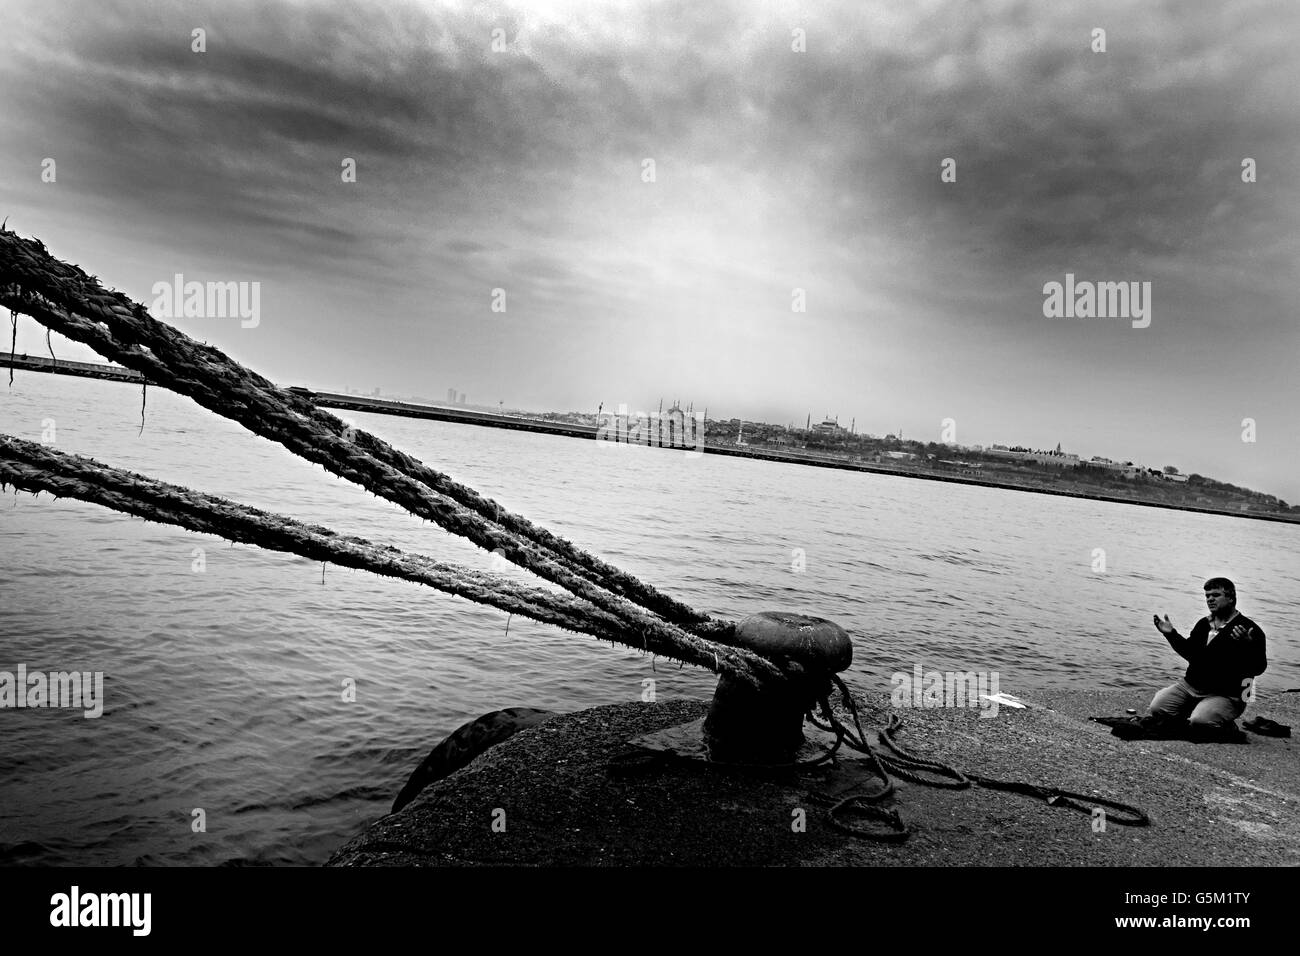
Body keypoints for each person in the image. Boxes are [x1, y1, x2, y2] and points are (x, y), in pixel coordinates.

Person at [1147, 577, 1267, 741]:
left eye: (1216, 595)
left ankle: (1225, 723)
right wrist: (1170, 634)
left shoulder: (1250, 630)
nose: (1210, 599)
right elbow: (1190, 653)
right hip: (1191, 687)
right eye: (1207, 595)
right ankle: (1198, 708)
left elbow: (1259, 668)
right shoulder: (1204, 624)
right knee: (1157, 709)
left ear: (1231, 598)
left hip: (1228, 694)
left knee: (1200, 722)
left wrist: (1247, 645)